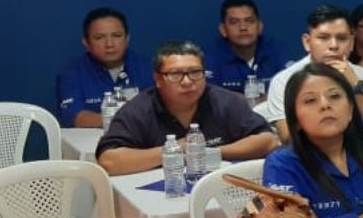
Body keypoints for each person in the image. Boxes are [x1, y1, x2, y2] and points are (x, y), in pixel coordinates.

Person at [261, 63, 363, 218]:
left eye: (334, 96)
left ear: (351, 109)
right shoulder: (282, 165)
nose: (325, 105)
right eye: (310, 100)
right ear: (295, 121)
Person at [95, 40, 278, 176]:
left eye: (195, 72)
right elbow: (108, 161)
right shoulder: (139, 109)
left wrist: (210, 152)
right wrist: (175, 150)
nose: (188, 81)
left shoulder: (224, 101)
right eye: (175, 74)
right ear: (158, 79)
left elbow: (268, 140)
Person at [263, 4, 363, 142]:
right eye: (323, 38)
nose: (334, 46)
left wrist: (356, 84)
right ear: (307, 42)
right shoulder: (285, 80)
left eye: (342, 38)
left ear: (352, 42)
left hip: (359, 155)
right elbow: (288, 137)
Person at [55, 7, 152, 127]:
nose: (109, 44)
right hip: (91, 143)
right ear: (86, 43)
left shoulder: (149, 68)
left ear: (127, 39)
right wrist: (129, 119)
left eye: (116, 36)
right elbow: (76, 118)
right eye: (99, 38)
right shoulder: (72, 74)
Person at [205, 0, 295, 96]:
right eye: (234, 22)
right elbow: (211, 98)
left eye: (249, 21)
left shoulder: (276, 50)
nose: (243, 27)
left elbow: (292, 91)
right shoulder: (210, 57)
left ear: (259, 27)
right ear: (223, 30)